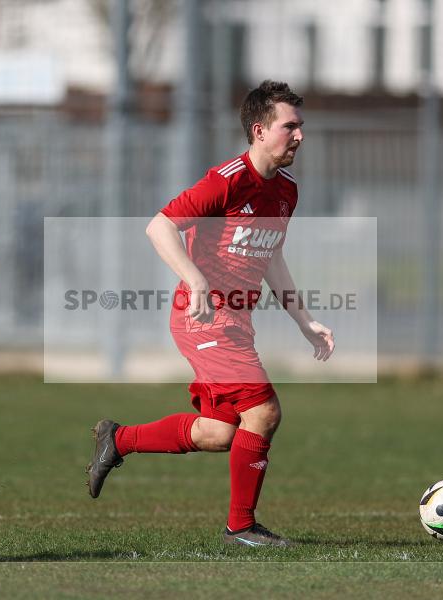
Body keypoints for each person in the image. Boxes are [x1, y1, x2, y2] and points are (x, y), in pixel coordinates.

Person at [86, 80, 334, 547]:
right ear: (259, 130)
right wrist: (196, 279)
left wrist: (305, 320)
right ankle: (241, 528)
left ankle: (117, 440)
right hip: (204, 319)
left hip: (236, 323)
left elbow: (272, 257)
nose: (299, 136)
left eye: (301, 127)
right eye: (290, 127)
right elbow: (159, 226)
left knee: (219, 433)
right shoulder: (226, 180)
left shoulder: (285, 192)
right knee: (263, 411)